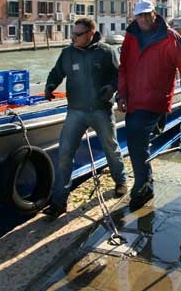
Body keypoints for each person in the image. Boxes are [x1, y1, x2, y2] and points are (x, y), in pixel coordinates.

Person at [42, 17, 127, 219]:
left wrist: (112, 88)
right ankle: (59, 202)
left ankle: (121, 181)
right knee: (64, 153)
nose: (74, 37)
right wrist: (49, 86)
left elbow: (120, 75)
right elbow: (57, 72)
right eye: (73, 33)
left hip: (101, 110)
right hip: (76, 111)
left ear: (90, 34)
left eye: (78, 34)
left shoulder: (107, 52)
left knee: (111, 148)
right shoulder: (68, 53)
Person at [118, 0, 181, 210]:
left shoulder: (171, 37)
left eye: (146, 14)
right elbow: (123, 66)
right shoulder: (131, 36)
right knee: (136, 141)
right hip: (134, 100)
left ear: (154, 14)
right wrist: (121, 95)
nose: (142, 19)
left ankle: (142, 186)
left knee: (135, 138)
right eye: (139, 15)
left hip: (155, 100)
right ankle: (147, 184)